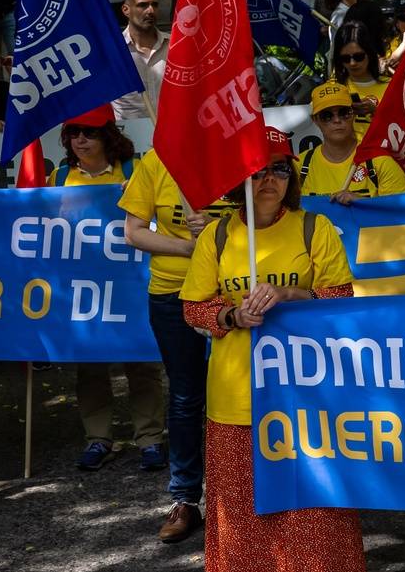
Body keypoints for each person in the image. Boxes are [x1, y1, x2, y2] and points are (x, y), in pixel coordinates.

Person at [180, 127, 362, 572]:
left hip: (307, 397)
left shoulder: (313, 228)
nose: (268, 180)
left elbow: (342, 301)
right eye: (256, 171)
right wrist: (232, 317)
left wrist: (293, 296)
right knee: (244, 519)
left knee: (314, 514)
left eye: (278, 169)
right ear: (239, 179)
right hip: (236, 400)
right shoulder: (217, 237)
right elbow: (192, 307)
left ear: (291, 177)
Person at [120, 148, 240, 543]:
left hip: (236, 293)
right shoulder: (159, 159)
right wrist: (191, 247)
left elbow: (268, 217)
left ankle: (249, 497)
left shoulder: (236, 147)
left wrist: (218, 232)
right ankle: (185, 500)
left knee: (249, 393)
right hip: (173, 294)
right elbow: (133, 231)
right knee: (186, 396)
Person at [56, 106, 166, 473]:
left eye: (89, 132)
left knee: (143, 362)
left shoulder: (134, 172)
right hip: (81, 289)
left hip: (131, 284)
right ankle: (98, 438)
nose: (81, 140)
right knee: (89, 366)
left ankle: (149, 438)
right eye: (74, 133)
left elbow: (156, 217)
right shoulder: (57, 177)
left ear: (108, 136)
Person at [299, 82, 405, 202]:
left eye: (344, 113)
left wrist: (363, 204)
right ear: (315, 120)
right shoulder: (300, 166)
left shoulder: (379, 161)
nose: (337, 120)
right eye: (327, 116)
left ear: (354, 114)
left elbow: (403, 214)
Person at [114, 0, 168, 120]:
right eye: (142, 5)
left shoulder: (175, 46)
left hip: (171, 131)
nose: (150, 11)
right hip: (130, 135)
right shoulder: (113, 51)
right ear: (126, 10)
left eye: (154, 5)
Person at [329, 21, 390, 136]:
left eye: (358, 56)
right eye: (346, 58)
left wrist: (376, 112)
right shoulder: (332, 89)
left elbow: (404, 125)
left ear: (370, 53)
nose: (352, 63)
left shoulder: (392, 86)